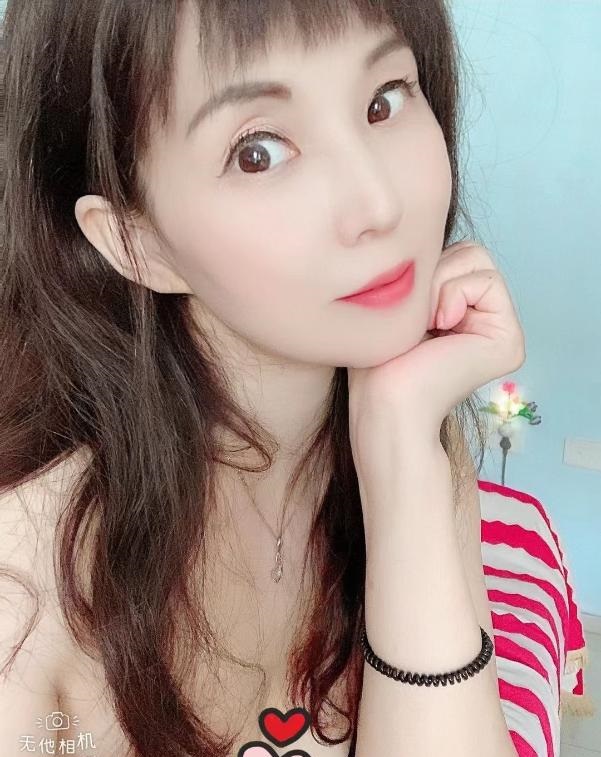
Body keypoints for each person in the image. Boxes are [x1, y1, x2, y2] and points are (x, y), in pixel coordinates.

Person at [0, 1, 526, 755]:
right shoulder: (24, 581)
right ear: (136, 241)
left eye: (384, 100)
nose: (379, 204)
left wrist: (403, 455)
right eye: (258, 152)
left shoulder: (416, 432)